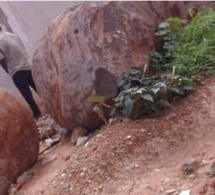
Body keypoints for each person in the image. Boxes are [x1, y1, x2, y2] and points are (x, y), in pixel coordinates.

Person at [0, 27, 42, 119]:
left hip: (16, 71)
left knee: (27, 94)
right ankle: (51, 106)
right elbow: (22, 49)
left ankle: (37, 113)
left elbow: (2, 60)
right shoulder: (13, 35)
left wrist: (9, 71)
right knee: (38, 89)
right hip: (28, 66)